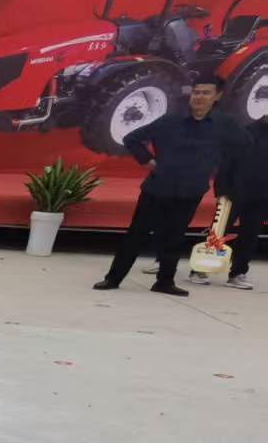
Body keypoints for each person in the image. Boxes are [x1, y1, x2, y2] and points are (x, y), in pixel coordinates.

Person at [97, 76, 239, 295]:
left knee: (174, 237)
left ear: (217, 96)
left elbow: (244, 146)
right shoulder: (172, 120)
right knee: (136, 235)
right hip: (158, 188)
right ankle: (113, 279)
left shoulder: (224, 125)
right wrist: (148, 161)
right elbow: (132, 138)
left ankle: (164, 282)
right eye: (196, 92)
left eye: (206, 93)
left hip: (191, 190)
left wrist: (217, 165)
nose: (199, 97)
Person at [213, 108, 266, 290]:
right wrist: (221, 190)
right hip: (234, 192)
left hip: (261, 196)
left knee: (250, 235)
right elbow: (226, 162)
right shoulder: (247, 132)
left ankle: (238, 273)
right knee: (219, 231)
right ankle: (201, 268)